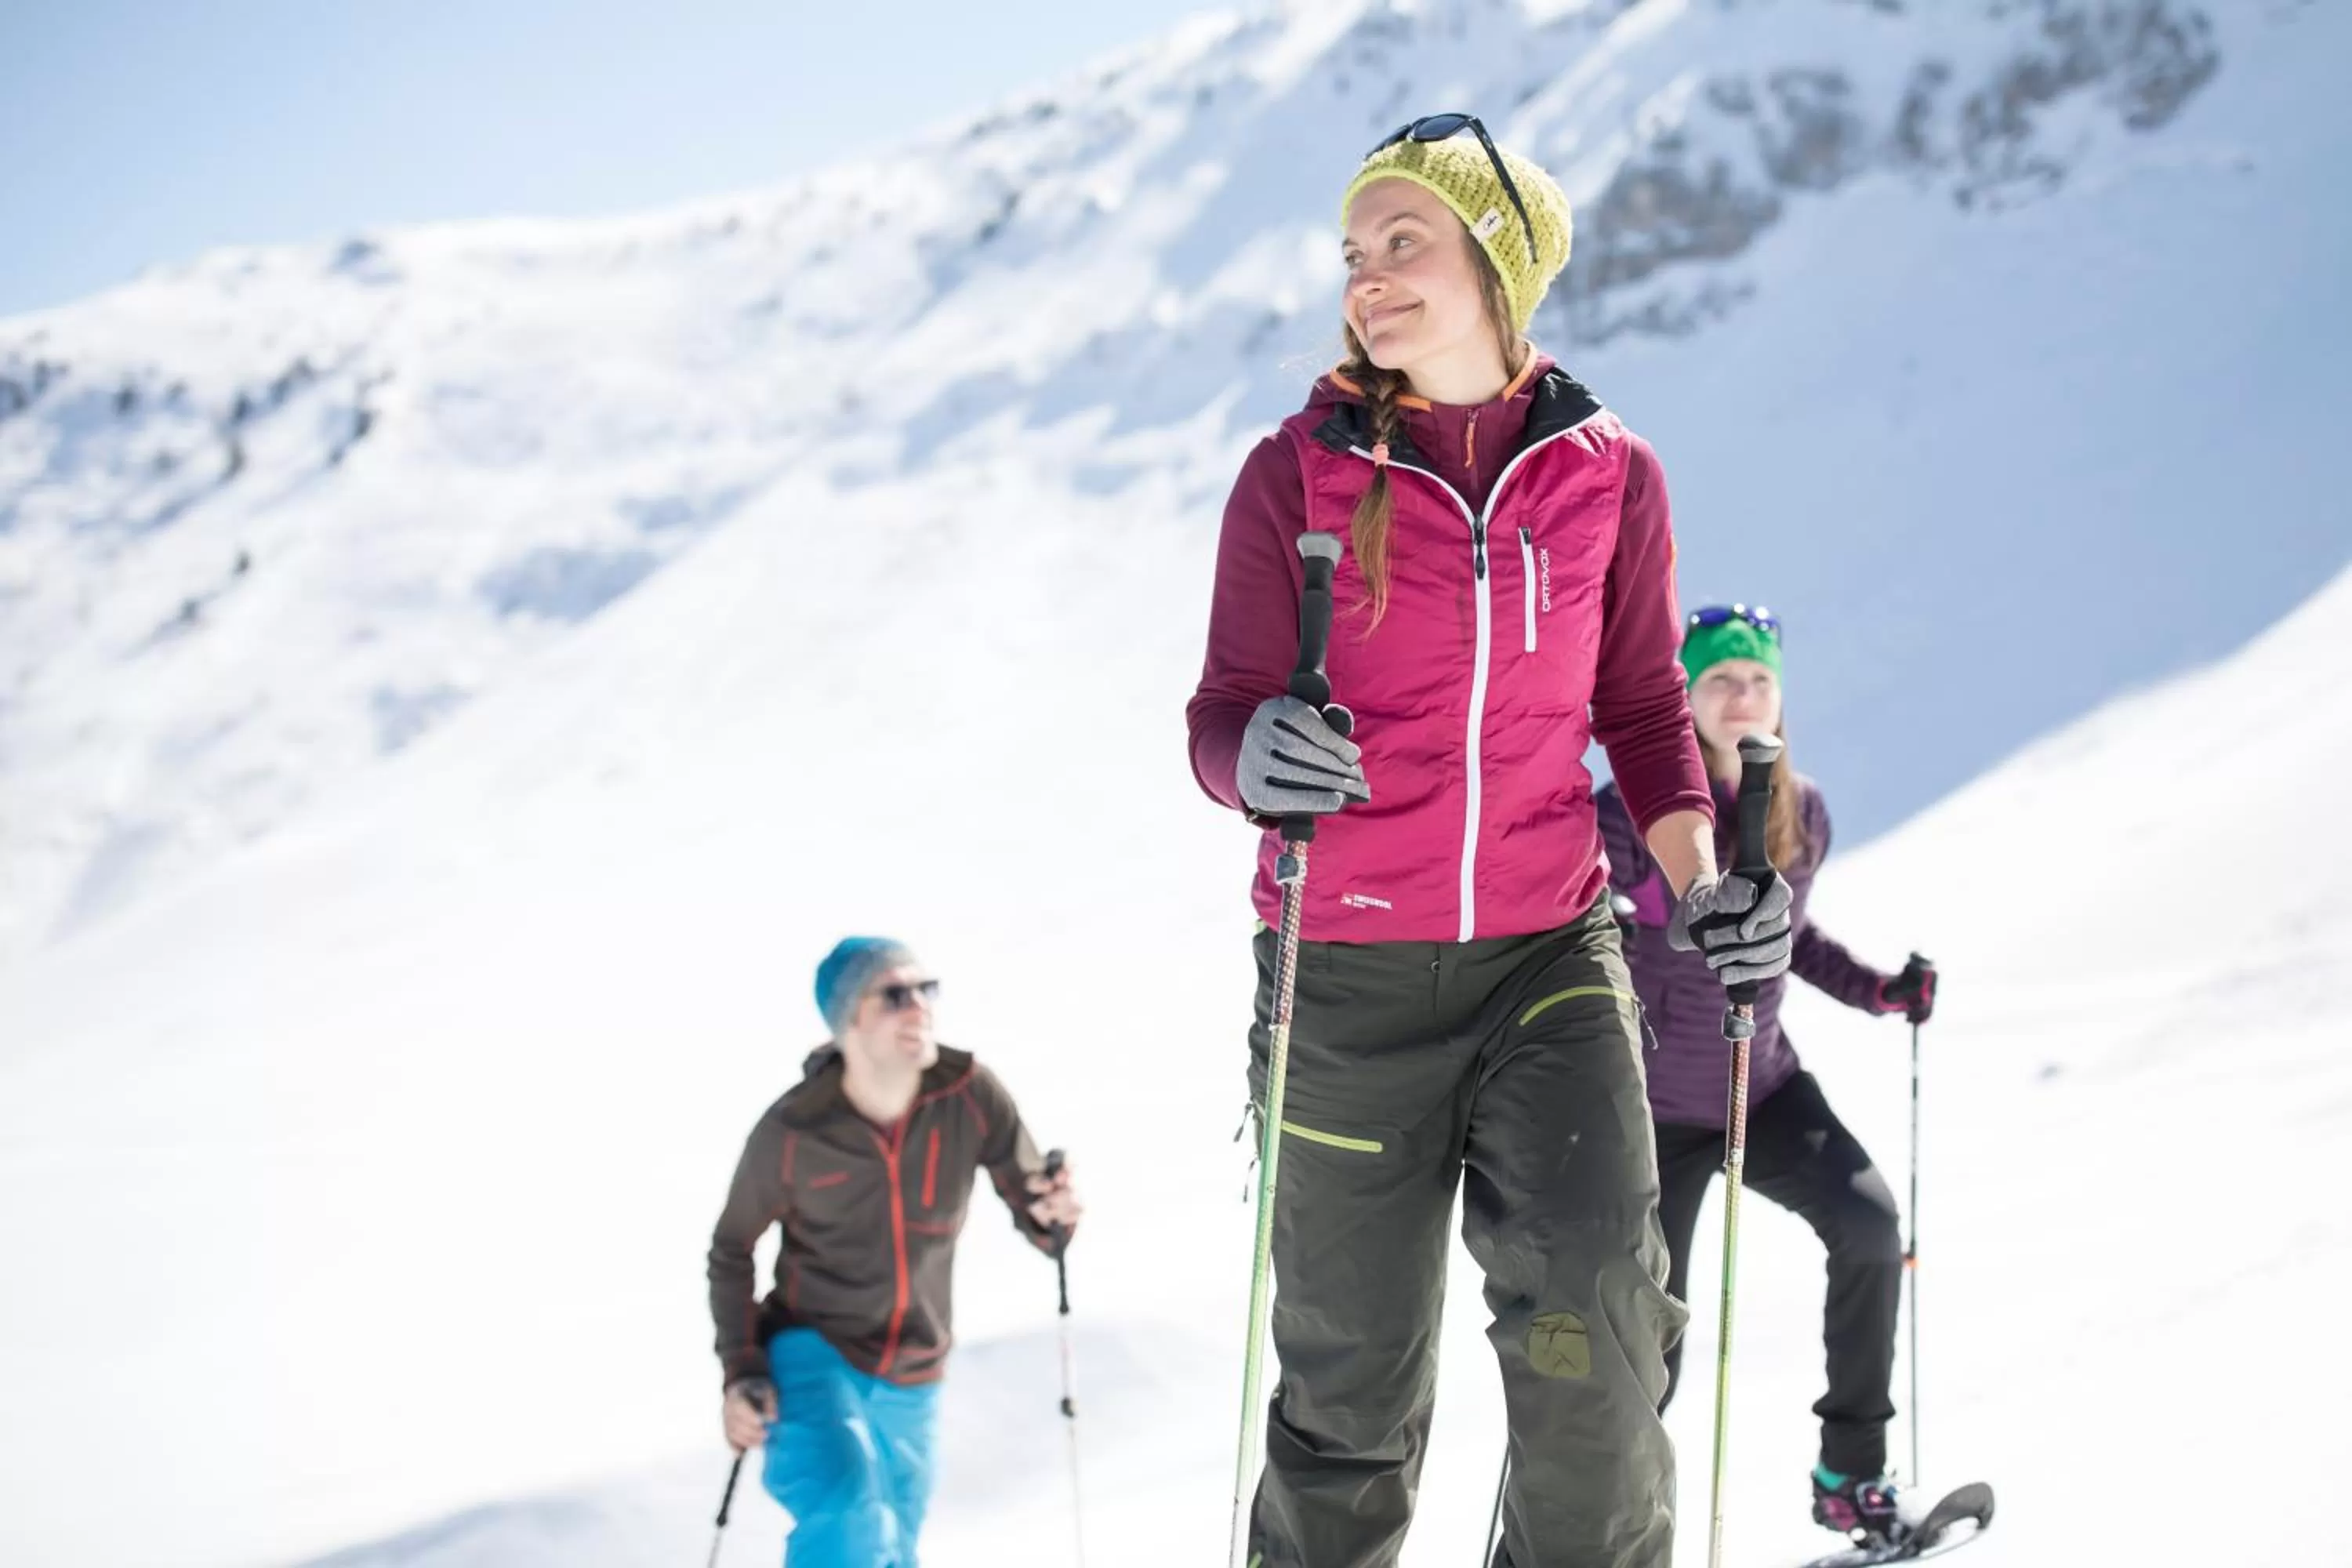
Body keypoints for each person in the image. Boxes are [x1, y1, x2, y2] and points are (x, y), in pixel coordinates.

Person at [1184, 114, 1795, 1568]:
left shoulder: (1610, 475)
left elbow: (1643, 708)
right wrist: (1253, 759)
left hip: (1548, 960)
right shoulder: (1297, 476)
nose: (1368, 279)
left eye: (1406, 244)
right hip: (1342, 980)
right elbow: (1222, 716)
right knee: (1350, 1396)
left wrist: (1706, 888)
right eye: (1354, 253)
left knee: (1598, 1336)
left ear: (1500, 269)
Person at [1595, 606, 1937, 1547]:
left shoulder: (1804, 809)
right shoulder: (1627, 808)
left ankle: (1852, 1477)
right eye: (1720, 682)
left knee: (1869, 1224)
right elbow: (1595, 930)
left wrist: (1878, 991)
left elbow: (1793, 937)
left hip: (1764, 1084)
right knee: (1647, 1334)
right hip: (1654, 1109)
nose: (1742, 696)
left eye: (1758, 680)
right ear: (1687, 697)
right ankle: (1616, 1523)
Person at [706, 936, 1082, 1566]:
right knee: (847, 1508)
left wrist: (1055, 1217)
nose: (919, 1008)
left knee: (894, 1547)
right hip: (811, 1348)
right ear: (848, 1021)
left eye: (925, 990)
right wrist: (741, 1371)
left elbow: (1039, 1208)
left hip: (916, 1365)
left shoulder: (969, 1095)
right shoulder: (794, 1131)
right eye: (894, 995)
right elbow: (731, 1248)